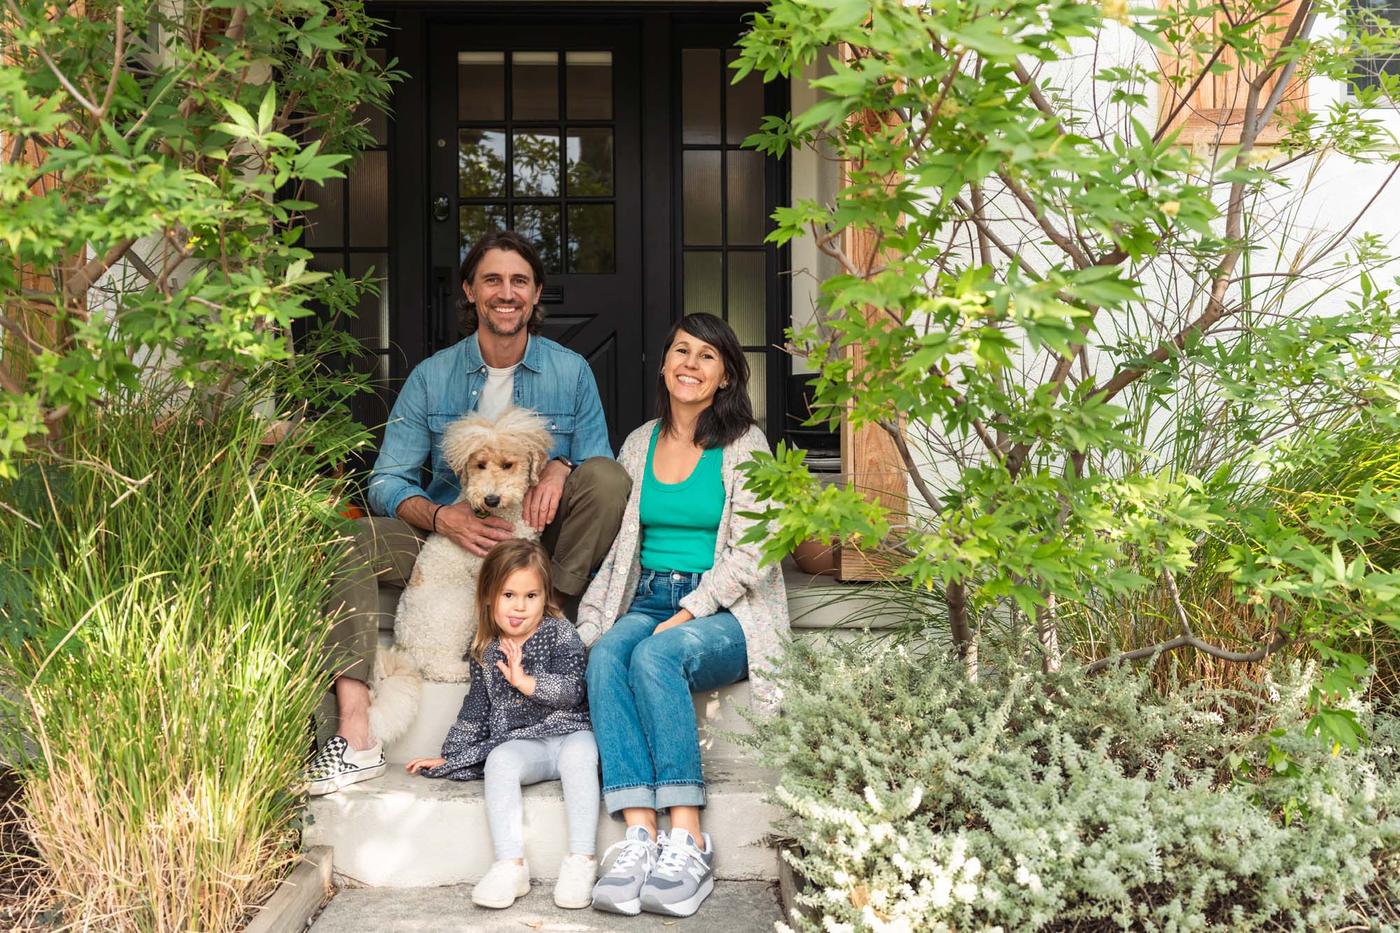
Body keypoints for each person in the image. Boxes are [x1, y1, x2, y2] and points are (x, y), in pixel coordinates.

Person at [305, 229, 630, 796]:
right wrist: (439, 517)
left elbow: (600, 460)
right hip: (446, 541)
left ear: (535, 295)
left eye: (519, 282)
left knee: (605, 478)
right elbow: (386, 480)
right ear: (470, 291)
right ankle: (357, 729)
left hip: (534, 544)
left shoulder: (571, 371)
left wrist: (560, 467)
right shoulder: (433, 377)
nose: (507, 293)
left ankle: (548, 626)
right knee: (346, 541)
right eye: (493, 280)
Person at [576, 313, 790, 919]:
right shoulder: (640, 442)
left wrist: (694, 607)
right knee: (609, 655)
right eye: (680, 351)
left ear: (725, 377)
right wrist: (591, 625)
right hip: (645, 594)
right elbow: (619, 551)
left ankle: (689, 836)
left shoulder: (746, 443)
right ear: (665, 362)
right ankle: (641, 835)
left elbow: (757, 549)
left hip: (728, 608)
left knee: (657, 654)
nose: (690, 365)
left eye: (706, 357)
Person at [406, 539, 599, 910]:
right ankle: (510, 865)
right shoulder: (487, 650)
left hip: (570, 732)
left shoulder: (561, 635)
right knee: (501, 760)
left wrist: (525, 681)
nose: (519, 606)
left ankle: (581, 860)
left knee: (580, 755)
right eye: (509, 594)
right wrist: (451, 757)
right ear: (489, 596)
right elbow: (475, 710)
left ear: (545, 599)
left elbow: (573, 691)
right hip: (524, 744)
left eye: (531, 596)